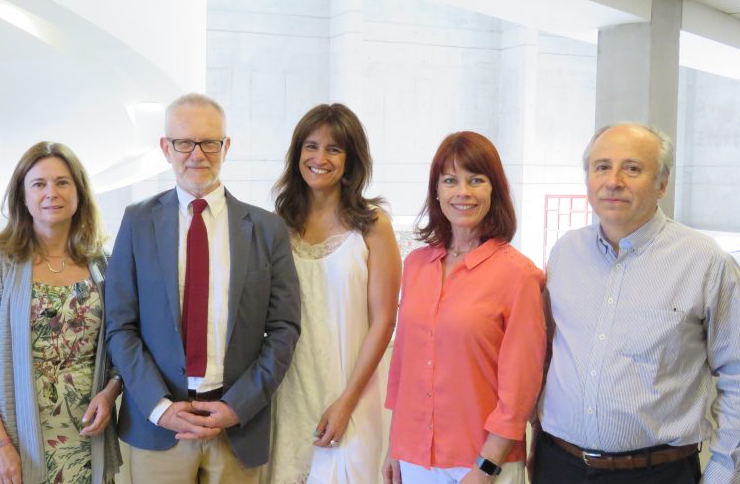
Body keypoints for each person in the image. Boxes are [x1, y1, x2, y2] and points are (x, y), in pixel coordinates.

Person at [105, 93, 301, 483]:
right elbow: (120, 326)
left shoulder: (267, 229)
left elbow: (283, 330)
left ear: (226, 147)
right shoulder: (137, 222)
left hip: (236, 427)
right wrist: (159, 406)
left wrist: (237, 406)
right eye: (184, 142)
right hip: (159, 425)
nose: (197, 154)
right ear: (166, 148)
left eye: (210, 142)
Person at [534, 123, 740, 483]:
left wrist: (722, 471)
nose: (613, 181)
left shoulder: (706, 262)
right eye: (602, 167)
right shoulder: (565, 253)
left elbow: (736, 374)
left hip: (657, 473)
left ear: (662, 183)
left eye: (632, 168)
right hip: (559, 466)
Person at [383, 131, 546, 484]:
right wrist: (395, 446)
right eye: (450, 180)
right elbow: (403, 369)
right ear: (436, 190)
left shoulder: (520, 275)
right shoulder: (415, 265)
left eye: (476, 180)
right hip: (414, 458)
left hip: (483, 463)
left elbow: (520, 390)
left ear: (494, 190)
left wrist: (486, 468)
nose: (463, 192)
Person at [0, 141, 122, 484]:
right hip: (15, 443)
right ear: (22, 197)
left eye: (63, 182)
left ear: (79, 193)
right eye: (39, 184)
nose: (52, 193)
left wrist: (110, 393)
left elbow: (119, 350)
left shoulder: (103, 265)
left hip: (86, 437)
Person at [268, 103, 401, 483]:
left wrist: (345, 403)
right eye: (310, 146)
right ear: (297, 155)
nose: (320, 158)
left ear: (351, 160)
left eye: (334, 149)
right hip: (291, 394)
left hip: (351, 392)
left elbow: (384, 321)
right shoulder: (279, 225)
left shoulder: (374, 226)